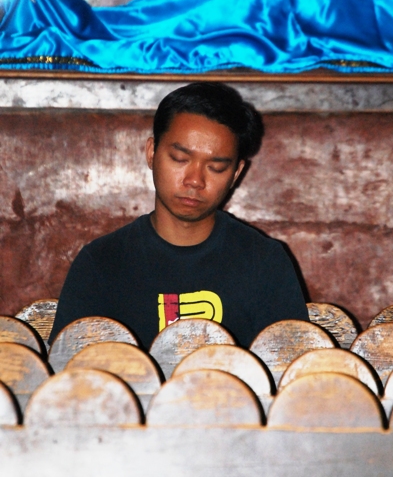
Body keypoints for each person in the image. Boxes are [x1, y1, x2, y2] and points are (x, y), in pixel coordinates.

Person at [49, 82, 308, 348]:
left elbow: (292, 376)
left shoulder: (265, 262)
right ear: (152, 153)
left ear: (236, 174)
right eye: (179, 158)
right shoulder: (101, 264)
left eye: (216, 167)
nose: (195, 180)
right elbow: (69, 378)